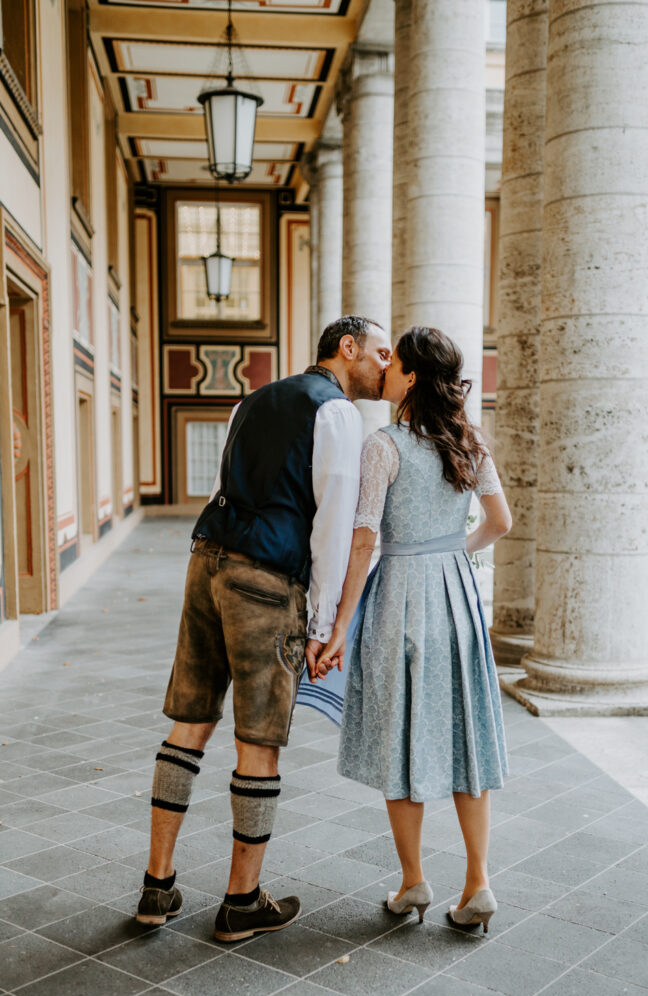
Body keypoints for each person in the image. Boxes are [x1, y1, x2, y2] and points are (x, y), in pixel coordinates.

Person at [136, 315, 391, 942]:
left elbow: (228, 486)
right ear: (347, 347)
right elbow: (331, 526)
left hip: (206, 564)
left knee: (189, 723)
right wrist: (326, 626)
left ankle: (156, 888)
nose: (387, 363)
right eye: (380, 351)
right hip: (266, 581)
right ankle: (242, 901)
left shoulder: (251, 401)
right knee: (260, 741)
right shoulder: (336, 414)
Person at [315, 326, 511, 934]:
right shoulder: (469, 441)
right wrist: (456, 551)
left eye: (395, 361)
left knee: (405, 739)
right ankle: (477, 882)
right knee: (464, 738)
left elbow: (365, 537)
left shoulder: (385, 445)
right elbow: (500, 522)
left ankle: (412, 882)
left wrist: (339, 625)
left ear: (414, 377)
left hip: (400, 596)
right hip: (456, 596)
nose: (387, 368)